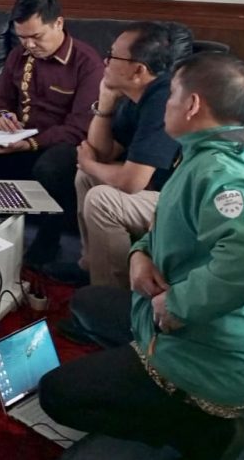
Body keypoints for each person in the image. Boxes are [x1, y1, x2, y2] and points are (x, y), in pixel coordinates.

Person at [39, 53, 244, 460]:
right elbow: (162, 230)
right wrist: (139, 256)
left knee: (55, 394)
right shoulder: (203, 154)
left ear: (192, 105)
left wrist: (177, 303)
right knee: (86, 302)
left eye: (172, 95)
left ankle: (200, 431)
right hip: (184, 317)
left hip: (207, 350)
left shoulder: (220, 174)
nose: (165, 105)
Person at [0, 0, 104, 264]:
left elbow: (79, 127)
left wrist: (28, 144)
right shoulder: (19, 55)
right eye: (22, 37)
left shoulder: (86, 63)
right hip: (15, 136)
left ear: (58, 23)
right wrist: (3, 115)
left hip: (58, 143)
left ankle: (48, 242)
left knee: (53, 167)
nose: (29, 45)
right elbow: (1, 99)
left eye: (36, 36)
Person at [48, 22, 181, 288]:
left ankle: (112, 293)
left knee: (101, 198)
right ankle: (92, 265)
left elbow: (132, 182)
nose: (105, 61)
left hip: (183, 205)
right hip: (158, 190)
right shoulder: (137, 97)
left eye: (112, 56)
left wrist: (89, 163)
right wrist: (105, 103)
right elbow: (102, 152)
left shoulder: (162, 101)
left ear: (138, 70)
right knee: (86, 176)